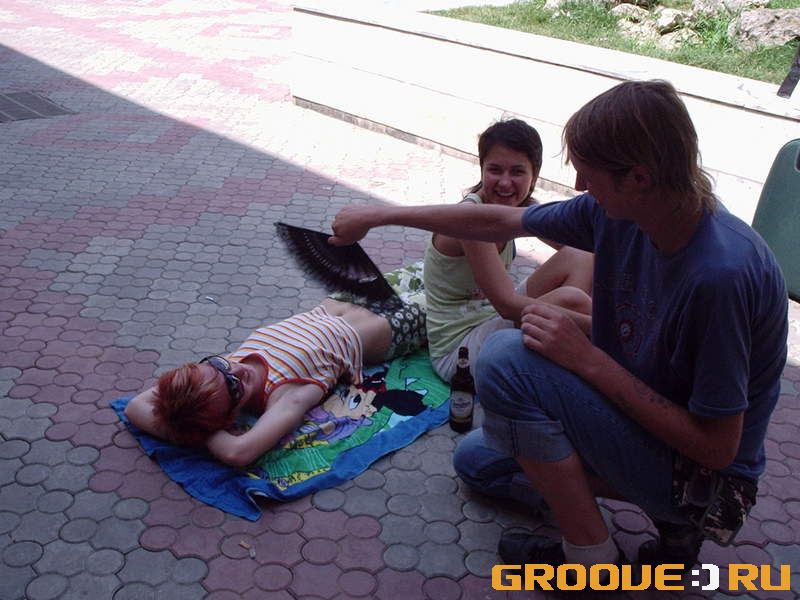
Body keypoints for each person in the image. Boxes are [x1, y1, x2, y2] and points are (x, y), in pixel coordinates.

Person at [329, 80, 788, 571]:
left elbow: (716, 449)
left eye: (588, 172)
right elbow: (496, 222)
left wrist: (587, 360)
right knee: (477, 461)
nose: (580, 186)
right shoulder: (625, 213)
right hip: (645, 421)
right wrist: (379, 215)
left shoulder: (720, 278)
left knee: (504, 358)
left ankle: (592, 559)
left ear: (638, 177)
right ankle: (670, 524)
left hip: (705, 482)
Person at [125, 296, 426, 468]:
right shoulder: (286, 396)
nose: (237, 371)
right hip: (392, 327)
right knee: (449, 270)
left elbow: (136, 405)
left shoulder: (224, 369)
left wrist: (189, 413)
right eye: (234, 388)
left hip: (341, 300)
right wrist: (200, 430)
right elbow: (237, 452)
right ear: (230, 417)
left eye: (217, 365)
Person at [409, 118, 593, 381]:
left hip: (491, 321)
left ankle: (562, 348)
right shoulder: (470, 217)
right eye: (495, 170)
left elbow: (581, 248)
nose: (505, 183)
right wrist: (597, 325)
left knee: (580, 257)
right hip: (459, 353)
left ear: (534, 177)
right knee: (571, 299)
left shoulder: (521, 209)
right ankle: (574, 348)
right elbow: (507, 306)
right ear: (482, 170)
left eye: (517, 172)